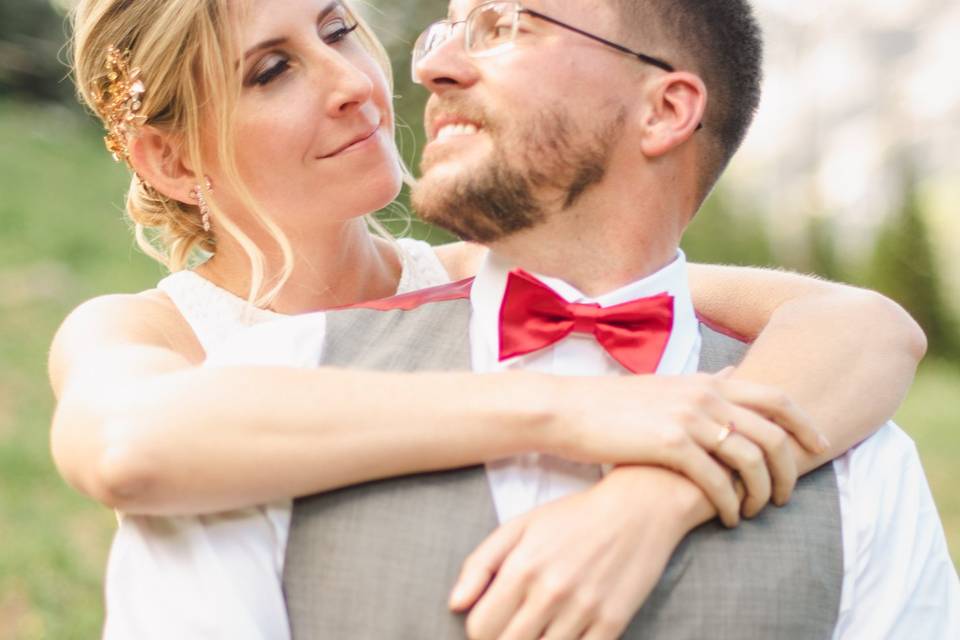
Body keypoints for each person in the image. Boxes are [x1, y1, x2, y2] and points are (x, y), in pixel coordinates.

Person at [47, 0, 933, 637]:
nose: (355, 85)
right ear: (169, 159)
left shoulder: (485, 276)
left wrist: (656, 493)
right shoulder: (146, 333)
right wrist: (577, 412)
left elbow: (859, 326)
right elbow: (129, 445)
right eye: (272, 70)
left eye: (337, 30)